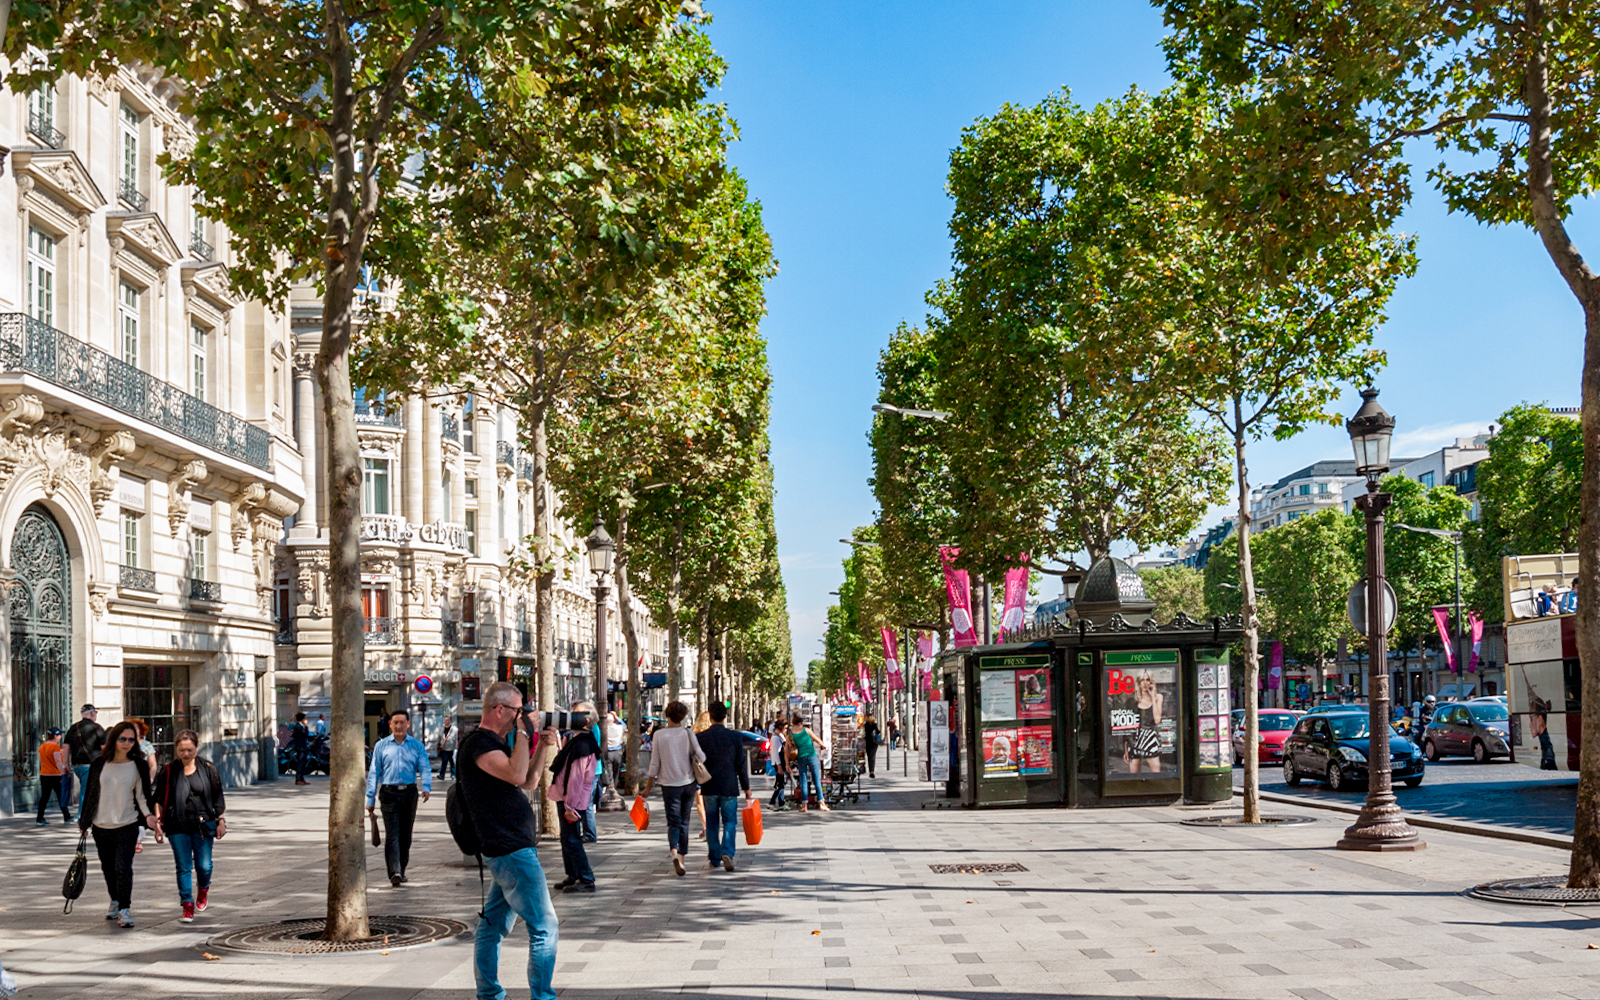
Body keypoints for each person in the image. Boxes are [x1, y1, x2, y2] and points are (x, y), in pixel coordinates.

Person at [459, 681, 560, 1000]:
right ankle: (542, 996)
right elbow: (517, 776)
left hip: (509, 849)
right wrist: (525, 734)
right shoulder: (478, 743)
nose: (525, 715)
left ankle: (489, 994)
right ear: (500, 709)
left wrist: (543, 746)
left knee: (491, 927)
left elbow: (528, 781)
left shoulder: (495, 744)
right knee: (545, 926)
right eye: (519, 710)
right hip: (511, 851)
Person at [79, 720, 156, 928]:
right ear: (114, 739)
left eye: (131, 740)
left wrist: (149, 817)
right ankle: (114, 899)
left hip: (127, 824)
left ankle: (124, 909)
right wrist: (84, 822)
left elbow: (142, 797)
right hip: (101, 825)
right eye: (123, 739)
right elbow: (91, 795)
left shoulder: (138, 765)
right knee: (108, 868)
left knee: (123, 867)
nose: (127, 743)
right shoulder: (98, 764)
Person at [152, 730, 226, 923]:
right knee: (183, 866)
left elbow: (217, 797)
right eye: (181, 750)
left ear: (196, 747)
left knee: (204, 865)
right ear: (176, 749)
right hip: (177, 824)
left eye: (189, 750)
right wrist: (158, 823)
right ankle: (187, 904)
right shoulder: (168, 770)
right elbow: (158, 799)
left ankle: (203, 888)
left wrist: (221, 821)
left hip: (203, 824)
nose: (185, 754)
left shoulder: (208, 768)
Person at [365, 708, 432, 887]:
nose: (399, 726)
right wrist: (370, 798)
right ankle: (393, 871)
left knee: (405, 835)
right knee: (392, 834)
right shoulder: (382, 746)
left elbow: (425, 767)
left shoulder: (417, 746)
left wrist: (426, 787)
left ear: (408, 724)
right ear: (390, 724)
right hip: (388, 794)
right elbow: (374, 772)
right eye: (395, 723)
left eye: (402, 722)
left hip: (409, 793)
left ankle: (401, 869)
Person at [641, 700, 706, 876]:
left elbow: (654, 764)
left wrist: (647, 788)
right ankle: (682, 860)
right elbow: (701, 756)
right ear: (683, 717)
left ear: (667, 715)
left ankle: (674, 853)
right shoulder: (687, 733)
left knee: (673, 822)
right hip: (688, 783)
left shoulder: (659, 735)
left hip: (669, 785)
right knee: (685, 821)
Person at [549, 701, 600, 893]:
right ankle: (573, 874)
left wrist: (571, 806)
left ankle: (586, 878)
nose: (571, 717)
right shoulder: (578, 740)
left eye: (576, 714)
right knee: (567, 838)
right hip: (567, 797)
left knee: (571, 839)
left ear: (586, 720)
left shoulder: (584, 744)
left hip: (572, 800)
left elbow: (578, 778)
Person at [695, 701, 751, 872]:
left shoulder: (701, 738)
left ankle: (714, 856)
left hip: (709, 785)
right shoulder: (734, 737)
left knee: (711, 823)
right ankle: (727, 851)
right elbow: (741, 764)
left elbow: (696, 762)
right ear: (725, 716)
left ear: (710, 716)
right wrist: (746, 787)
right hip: (729, 785)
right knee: (730, 822)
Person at [64, 704, 104, 808]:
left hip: (77, 766)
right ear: (91, 713)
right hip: (91, 765)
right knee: (86, 792)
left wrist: (66, 764)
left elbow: (66, 747)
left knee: (87, 789)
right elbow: (104, 747)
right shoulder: (96, 728)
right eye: (95, 713)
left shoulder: (73, 728)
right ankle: (82, 817)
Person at [1123, 673, 1164, 773]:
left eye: (1148, 680)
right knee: (1134, 774)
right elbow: (1127, 726)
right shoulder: (1133, 701)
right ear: (1138, 682)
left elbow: (1157, 720)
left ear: (1151, 682)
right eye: (1143, 680)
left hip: (1150, 739)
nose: (1145, 683)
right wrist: (1125, 749)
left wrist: (1153, 697)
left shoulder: (1158, 697)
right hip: (1135, 740)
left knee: (1156, 772)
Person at [789, 713, 828, 812]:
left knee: (803, 781)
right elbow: (816, 739)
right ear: (801, 723)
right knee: (816, 780)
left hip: (801, 758)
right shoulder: (806, 730)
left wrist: (786, 763)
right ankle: (821, 803)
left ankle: (804, 805)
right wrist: (823, 745)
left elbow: (787, 749)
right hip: (811, 756)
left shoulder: (791, 735)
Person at [36, 727, 70, 825]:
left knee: (44, 797)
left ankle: (39, 818)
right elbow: (58, 761)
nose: (60, 737)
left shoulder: (41, 747)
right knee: (61, 796)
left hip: (44, 774)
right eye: (59, 735)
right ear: (55, 736)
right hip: (55, 775)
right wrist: (62, 773)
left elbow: (41, 761)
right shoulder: (55, 747)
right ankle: (66, 816)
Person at [290, 712, 311, 785]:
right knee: (300, 764)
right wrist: (306, 726)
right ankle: (298, 779)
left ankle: (302, 778)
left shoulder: (300, 726)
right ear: (302, 719)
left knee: (303, 764)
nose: (305, 720)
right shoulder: (298, 727)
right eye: (304, 718)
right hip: (300, 748)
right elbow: (305, 733)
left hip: (303, 747)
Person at [861, 714, 881, 778]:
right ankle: (871, 771)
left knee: (868, 756)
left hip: (867, 742)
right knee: (872, 757)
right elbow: (878, 732)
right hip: (874, 743)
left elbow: (863, 733)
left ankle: (868, 769)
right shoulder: (874, 725)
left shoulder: (865, 725)